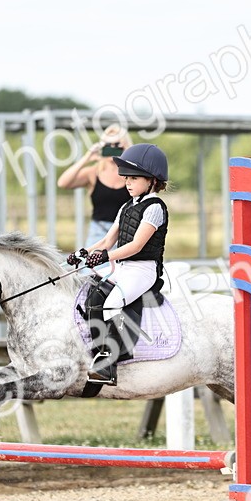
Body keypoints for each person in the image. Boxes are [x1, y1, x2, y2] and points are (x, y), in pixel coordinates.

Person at [66, 142, 170, 385]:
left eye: (134, 178)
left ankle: (111, 363)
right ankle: (99, 349)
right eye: (127, 178)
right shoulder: (125, 207)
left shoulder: (155, 208)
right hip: (124, 268)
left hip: (143, 270)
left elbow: (136, 246)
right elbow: (106, 240)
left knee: (112, 303)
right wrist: (82, 253)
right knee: (92, 297)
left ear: (152, 181)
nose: (127, 182)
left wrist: (105, 257)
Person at [57, 126, 133, 248]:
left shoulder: (132, 174)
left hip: (127, 233)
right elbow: (63, 183)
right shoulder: (93, 172)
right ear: (102, 146)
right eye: (108, 145)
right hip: (98, 233)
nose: (112, 149)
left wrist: (130, 155)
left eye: (117, 145)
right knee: (91, 266)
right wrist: (87, 158)